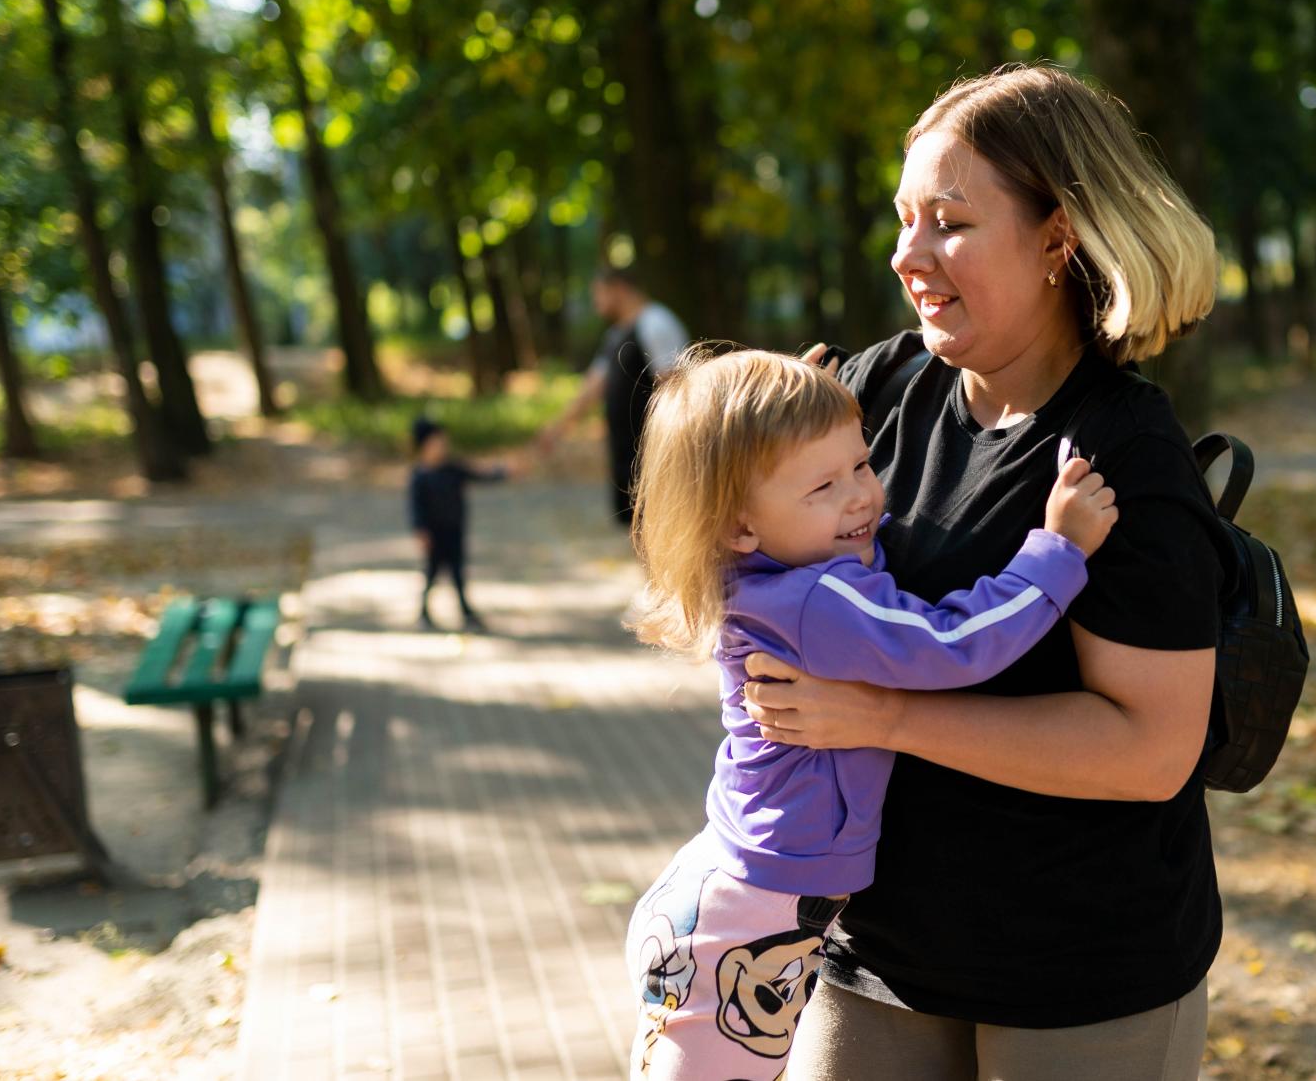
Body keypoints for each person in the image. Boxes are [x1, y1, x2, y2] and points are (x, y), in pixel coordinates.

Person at [738, 64, 1227, 1079]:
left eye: (948, 224)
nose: (906, 256)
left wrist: (882, 715)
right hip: (875, 956)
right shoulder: (873, 389)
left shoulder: (1119, 456)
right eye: (902, 220)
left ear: (1057, 238)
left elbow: (1150, 749)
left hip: (1082, 979)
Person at [620, 346, 1117, 1080]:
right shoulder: (819, 600)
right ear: (737, 526)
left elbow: (843, 543)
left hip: (732, 892)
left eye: (861, 463)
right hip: (754, 922)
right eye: (823, 484)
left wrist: (796, 444)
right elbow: (955, 643)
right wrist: (1057, 550)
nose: (861, 496)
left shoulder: (767, 573)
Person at [538, 269, 691, 525]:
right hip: (626, 452)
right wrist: (557, 429)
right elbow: (593, 387)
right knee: (637, 525)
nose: (596, 302)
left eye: (598, 294)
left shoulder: (656, 322)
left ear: (618, 288)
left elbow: (674, 384)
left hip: (655, 448)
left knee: (661, 524)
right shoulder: (616, 334)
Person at [408, 416, 508, 632]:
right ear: (424, 445)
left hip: (455, 532)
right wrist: (421, 531)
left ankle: (465, 611)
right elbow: (416, 509)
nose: (442, 447)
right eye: (437, 442)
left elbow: (481, 476)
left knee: (458, 574)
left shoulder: (452, 469)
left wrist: (504, 472)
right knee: (432, 574)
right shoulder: (420, 477)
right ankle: (424, 611)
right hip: (435, 535)